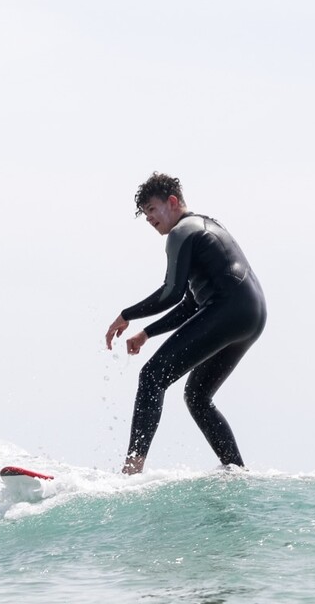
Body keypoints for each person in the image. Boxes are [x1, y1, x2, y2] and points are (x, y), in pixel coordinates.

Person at [104, 173, 267, 475]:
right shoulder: (206, 227)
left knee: (152, 376)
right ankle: (236, 472)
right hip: (250, 314)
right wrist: (147, 332)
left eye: (152, 209)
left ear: (173, 202)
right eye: (144, 214)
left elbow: (171, 293)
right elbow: (190, 303)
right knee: (197, 396)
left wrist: (127, 314)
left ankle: (131, 469)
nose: (149, 219)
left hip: (229, 309)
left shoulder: (182, 232)